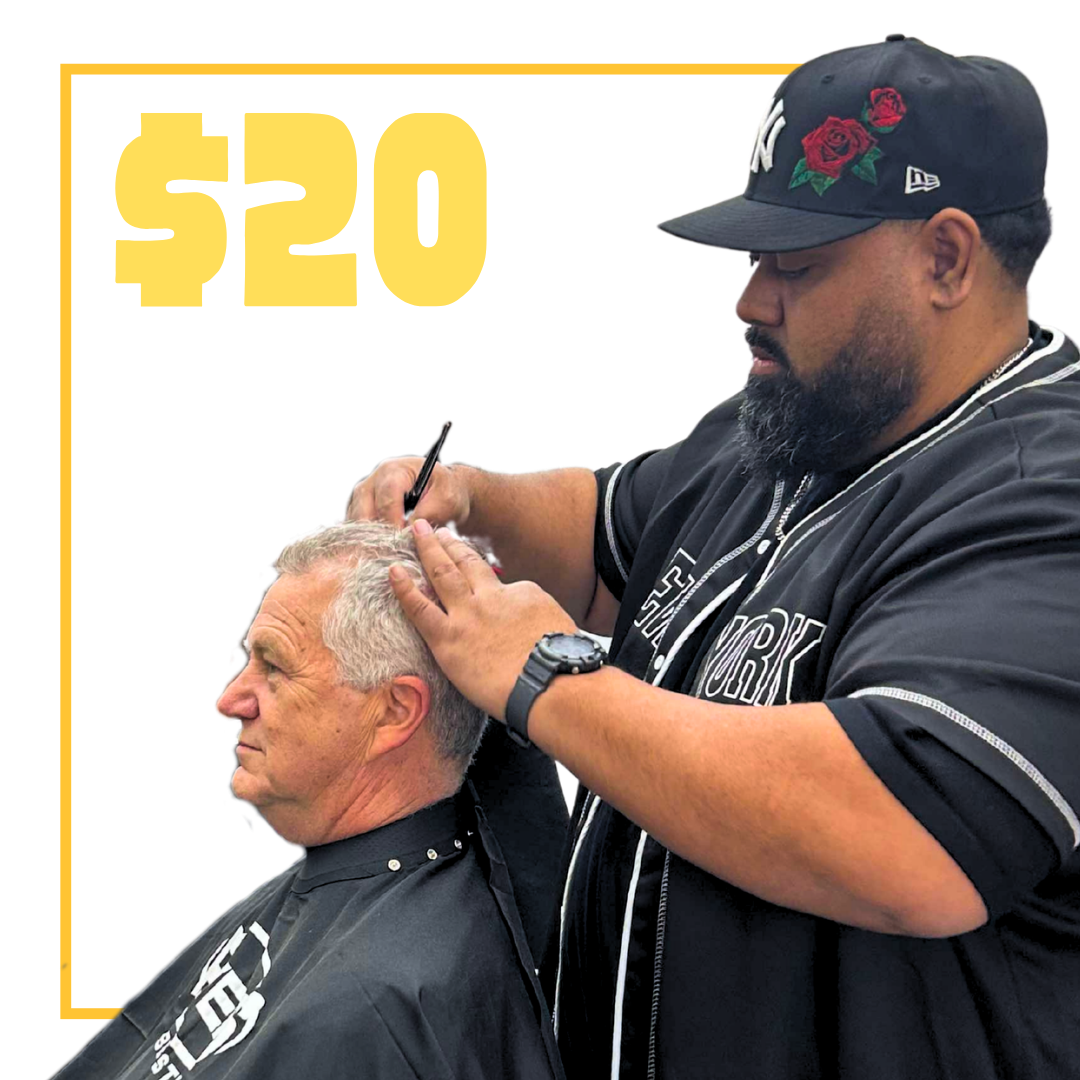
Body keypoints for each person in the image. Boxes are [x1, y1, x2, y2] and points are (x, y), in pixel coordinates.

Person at [345, 35, 1080, 1080]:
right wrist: (474, 499)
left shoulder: (1042, 489)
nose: (751, 299)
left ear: (947, 260)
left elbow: (906, 838)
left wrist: (544, 673)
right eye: (752, 255)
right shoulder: (799, 418)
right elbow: (609, 535)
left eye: (799, 262)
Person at [59, 521, 568, 1080]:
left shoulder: (381, 1007)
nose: (230, 701)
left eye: (274, 668)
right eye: (245, 661)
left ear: (395, 711)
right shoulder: (343, 872)